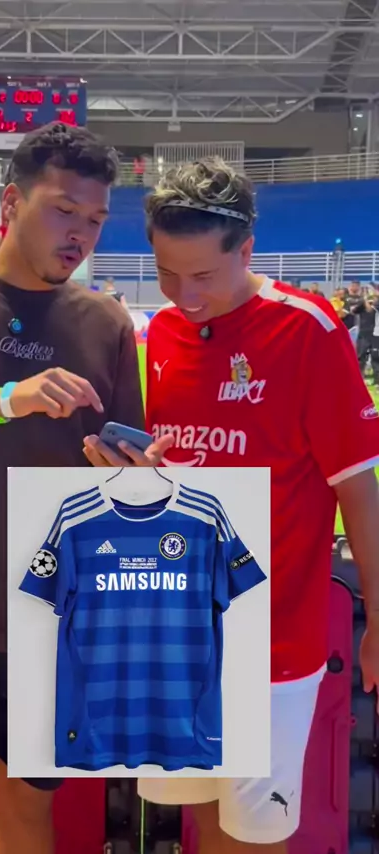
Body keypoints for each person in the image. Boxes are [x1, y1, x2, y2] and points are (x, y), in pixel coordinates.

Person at [83, 158, 379, 854]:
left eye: (203, 276)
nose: (184, 296)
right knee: (205, 825)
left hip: (273, 642)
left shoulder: (307, 330)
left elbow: (359, 491)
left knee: (254, 835)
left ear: (245, 250)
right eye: (166, 273)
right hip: (176, 635)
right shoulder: (164, 335)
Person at [0, 122, 171, 854]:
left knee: (27, 813)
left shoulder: (105, 322)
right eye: (63, 210)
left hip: (56, 617)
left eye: (95, 220)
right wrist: (4, 401)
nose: (80, 233)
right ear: (12, 204)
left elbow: (123, 474)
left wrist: (137, 476)